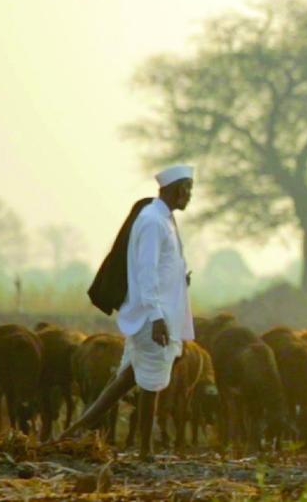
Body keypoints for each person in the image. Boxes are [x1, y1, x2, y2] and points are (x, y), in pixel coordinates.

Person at [60, 164, 195, 458]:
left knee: (127, 379)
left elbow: (160, 267)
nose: (190, 195)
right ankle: (145, 449)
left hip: (157, 314)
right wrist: (157, 317)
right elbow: (145, 272)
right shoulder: (152, 222)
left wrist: (178, 278)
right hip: (152, 317)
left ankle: (75, 431)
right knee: (149, 382)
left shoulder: (165, 219)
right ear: (175, 189)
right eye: (188, 189)